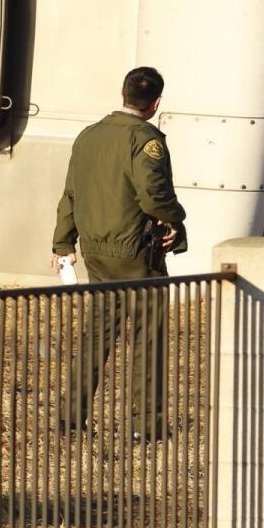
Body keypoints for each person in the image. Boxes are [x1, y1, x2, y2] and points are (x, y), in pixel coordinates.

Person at [51, 66, 187, 438]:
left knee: (97, 334)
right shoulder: (146, 140)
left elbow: (71, 193)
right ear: (156, 102)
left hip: (95, 250)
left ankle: (70, 418)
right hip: (136, 251)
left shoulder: (88, 136)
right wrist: (176, 218)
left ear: (122, 93)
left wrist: (63, 243)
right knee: (148, 338)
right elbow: (153, 194)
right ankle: (147, 426)